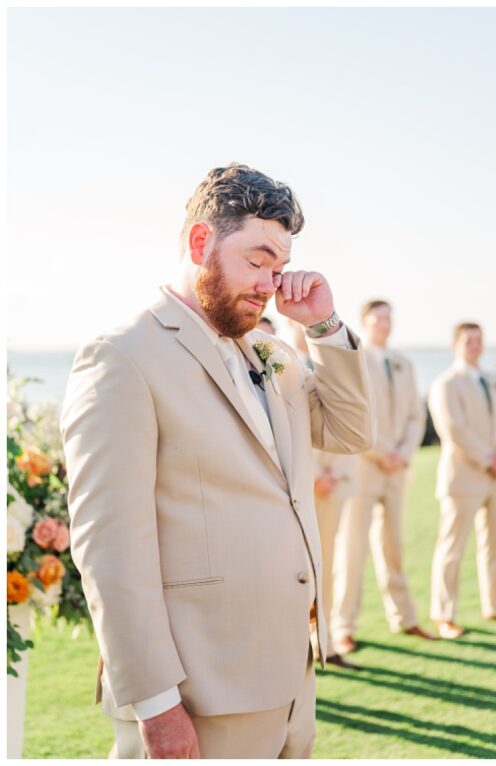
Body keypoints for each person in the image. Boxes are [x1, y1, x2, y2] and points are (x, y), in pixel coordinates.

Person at [60, 163, 375, 758]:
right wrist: (156, 705)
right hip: (198, 695)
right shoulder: (121, 358)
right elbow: (109, 544)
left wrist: (325, 329)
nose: (268, 283)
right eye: (256, 261)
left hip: (289, 679)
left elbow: (351, 430)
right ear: (202, 242)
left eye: (278, 268)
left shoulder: (272, 349)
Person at [331, 300, 433, 655]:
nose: (384, 325)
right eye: (377, 319)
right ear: (364, 322)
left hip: (397, 470)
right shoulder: (356, 358)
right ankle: (343, 627)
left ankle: (404, 617)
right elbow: (354, 412)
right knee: (352, 550)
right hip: (364, 466)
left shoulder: (404, 363)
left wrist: (402, 453)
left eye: (389, 318)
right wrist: (384, 451)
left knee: (394, 547)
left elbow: (415, 414)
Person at [283, 321, 360, 670]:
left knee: (324, 564)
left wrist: (333, 473)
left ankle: (321, 641)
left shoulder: (318, 367)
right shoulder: (280, 362)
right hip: (297, 487)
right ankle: (295, 645)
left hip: (334, 482)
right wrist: (313, 475)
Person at [428, 322, 496, 638]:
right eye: (467, 340)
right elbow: (453, 429)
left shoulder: (493, 380)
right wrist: (490, 458)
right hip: (463, 477)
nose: (474, 345)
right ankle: (443, 615)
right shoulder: (446, 383)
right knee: (452, 548)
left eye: (478, 340)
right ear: (455, 344)